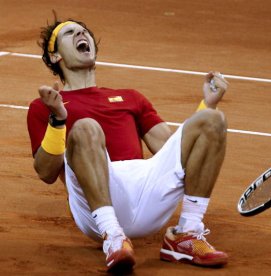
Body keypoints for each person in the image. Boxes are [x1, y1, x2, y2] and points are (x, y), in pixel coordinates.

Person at [27, 17, 229, 272]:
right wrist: (58, 119)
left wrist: (206, 105)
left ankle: (186, 233)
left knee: (212, 120)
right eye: (69, 32)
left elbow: (173, 150)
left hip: (146, 188)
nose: (80, 32)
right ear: (55, 56)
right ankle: (113, 236)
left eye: (84, 30)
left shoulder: (131, 97)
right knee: (86, 127)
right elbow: (46, 172)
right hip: (94, 204)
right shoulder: (45, 106)